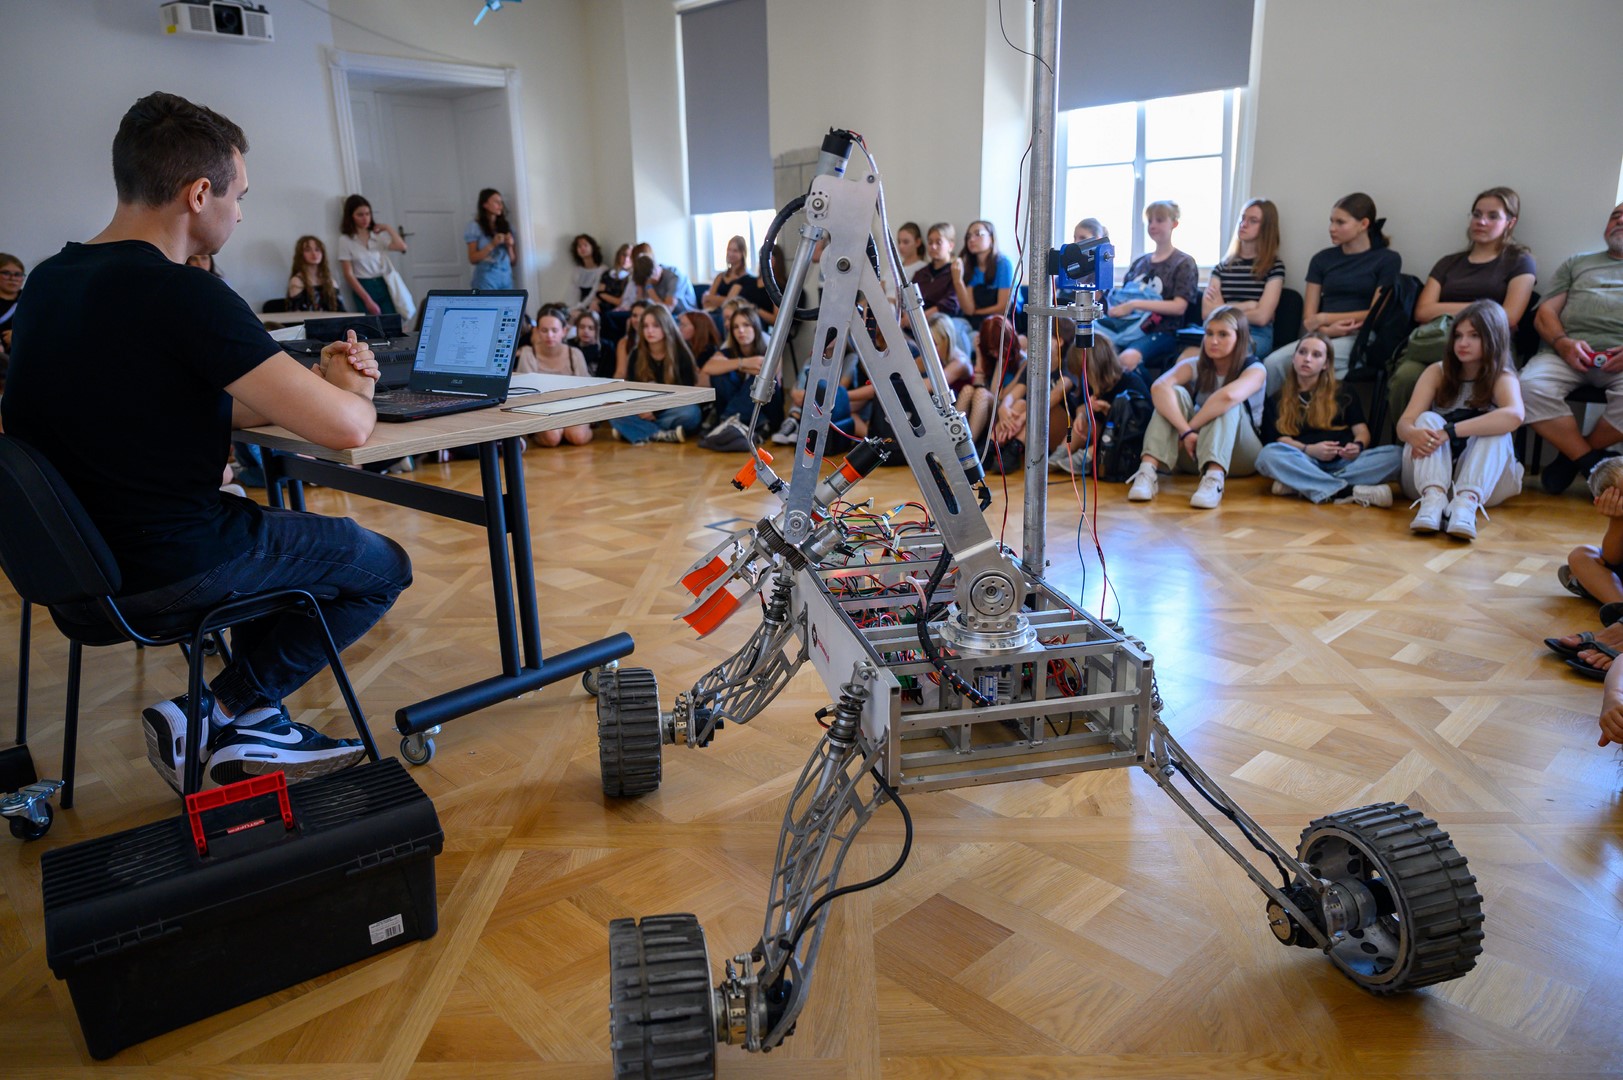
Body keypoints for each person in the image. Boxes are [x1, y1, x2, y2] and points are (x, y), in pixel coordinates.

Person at [2, 91, 411, 790]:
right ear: (198, 194)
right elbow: (348, 428)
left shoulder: (47, 283)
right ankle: (215, 709)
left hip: (77, 573)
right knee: (382, 566)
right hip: (172, 565)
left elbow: (160, 401)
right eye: (238, 195)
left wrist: (301, 386)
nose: (241, 212)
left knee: (278, 542)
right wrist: (354, 386)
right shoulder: (185, 294)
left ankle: (252, 724)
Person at [1388, 188, 1536, 430]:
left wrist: (1447, 309)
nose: (1481, 221)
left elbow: (1509, 316)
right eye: (1477, 214)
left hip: (1488, 346)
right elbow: (1422, 311)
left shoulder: (1519, 261)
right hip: (1436, 342)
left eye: (1492, 216)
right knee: (1406, 377)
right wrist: (1485, 308)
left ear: (1511, 222)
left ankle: (1460, 441)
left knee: (1486, 380)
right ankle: (1414, 441)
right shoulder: (1448, 263)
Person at [1517, 201, 1623, 494]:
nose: (1620, 221)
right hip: (1566, 354)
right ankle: (1590, 462)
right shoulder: (1577, 263)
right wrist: (1563, 344)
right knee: (1525, 387)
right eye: (1615, 216)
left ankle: (1572, 459)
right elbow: (1545, 313)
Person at [1396, 299, 1524, 539]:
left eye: (1474, 336)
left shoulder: (1503, 376)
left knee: (1497, 428)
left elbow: (1515, 415)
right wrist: (1412, 434)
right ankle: (1433, 502)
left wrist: (1451, 431)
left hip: (1484, 486)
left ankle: (1465, 506)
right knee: (1427, 418)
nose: (1463, 343)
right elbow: (1404, 424)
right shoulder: (1437, 371)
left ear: (1493, 338)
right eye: (1458, 336)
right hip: (1428, 480)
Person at [1126, 305, 1265, 509]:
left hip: (1240, 456)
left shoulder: (1255, 369)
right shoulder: (1195, 364)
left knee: (1226, 403)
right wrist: (1186, 432)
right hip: (1193, 450)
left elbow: (1227, 397)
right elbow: (1158, 387)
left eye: (1223, 334)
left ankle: (1215, 480)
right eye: (1209, 333)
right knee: (1174, 393)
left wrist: (1188, 430)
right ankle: (1147, 472)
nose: (1213, 341)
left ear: (1240, 338)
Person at [1262, 192, 1400, 396]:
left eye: (1340, 222)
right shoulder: (1322, 260)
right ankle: (1265, 416)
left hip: (1361, 338)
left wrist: (1324, 318)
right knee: (1273, 364)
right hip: (1321, 335)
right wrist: (1327, 329)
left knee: (1316, 370)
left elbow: (1375, 313)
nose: (1331, 228)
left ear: (1363, 224)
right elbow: (1309, 320)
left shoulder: (1387, 260)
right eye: (1331, 221)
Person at [1255, 332, 1401, 506]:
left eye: (1316, 355)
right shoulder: (1276, 399)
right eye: (1302, 352)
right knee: (1268, 455)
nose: (1307, 359)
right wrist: (1309, 449)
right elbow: (1280, 440)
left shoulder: (1344, 391)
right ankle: (1347, 491)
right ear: (1293, 358)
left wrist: (1357, 446)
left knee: (1397, 455)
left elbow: (1361, 431)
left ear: (1326, 364)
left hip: (1344, 462)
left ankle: (1302, 483)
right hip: (1305, 460)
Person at [1104, 200, 1199, 377]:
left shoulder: (1183, 263)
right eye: (1150, 221)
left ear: (1174, 224)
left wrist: (1134, 304)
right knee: (1093, 351)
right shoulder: (1140, 263)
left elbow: (1179, 307)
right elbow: (1123, 298)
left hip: (1163, 331)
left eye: (1160, 220)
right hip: (1126, 327)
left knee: (1127, 359)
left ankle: (1149, 395)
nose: (1153, 225)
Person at [1200, 199, 1285, 359]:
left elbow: (1262, 317)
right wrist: (1249, 305)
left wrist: (1222, 308)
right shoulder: (1222, 267)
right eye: (1243, 218)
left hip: (1255, 333)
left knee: (1228, 354)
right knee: (1185, 357)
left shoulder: (1274, 267)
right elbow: (1207, 313)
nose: (1244, 224)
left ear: (1266, 228)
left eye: (1253, 221)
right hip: (1218, 330)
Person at [1051, 335, 1148, 475]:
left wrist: (1109, 411)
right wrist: (1082, 415)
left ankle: (1087, 457)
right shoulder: (1089, 383)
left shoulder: (1131, 383)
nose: (1083, 378)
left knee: (1109, 432)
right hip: (1101, 433)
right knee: (1081, 425)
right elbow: (1081, 405)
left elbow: (1136, 426)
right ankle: (1063, 451)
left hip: (1127, 442)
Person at [611, 305, 704, 444]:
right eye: (645, 326)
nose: (650, 331)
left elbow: (686, 394)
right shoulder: (636, 354)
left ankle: (638, 431)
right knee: (613, 410)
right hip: (643, 410)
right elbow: (631, 391)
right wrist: (642, 408)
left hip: (670, 410)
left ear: (666, 326)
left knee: (692, 413)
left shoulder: (681, 353)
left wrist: (656, 409)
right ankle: (661, 434)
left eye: (656, 326)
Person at [700, 305, 777, 451]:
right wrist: (744, 363)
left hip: (766, 411)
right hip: (745, 416)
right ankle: (736, 428)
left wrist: (733, 365)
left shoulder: (768, 350)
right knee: (719, 376)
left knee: (758, 380)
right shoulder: (728, 351)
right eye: (735, 327)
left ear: (755, 327)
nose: (741, 330)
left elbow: (767, 372)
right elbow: (708, 368)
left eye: (746, 325)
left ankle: (727, 422)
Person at [514, 312, 593, 447]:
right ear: (537, 331)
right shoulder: (528, 354)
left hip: (573, 406)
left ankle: (581, 429)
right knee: (552, 438)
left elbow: (587, 390)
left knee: (577, 436)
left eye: (554, 330)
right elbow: (525, 395)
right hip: (541, 409)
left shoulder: (575, 354)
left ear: (564, 331)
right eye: (544, 330)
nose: (550, 335)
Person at [338, 193, 408, 316]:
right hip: (364, 286)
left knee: (391, 321)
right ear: (351, 216)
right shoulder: (345, 240)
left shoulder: (377, 236)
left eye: (368, 214)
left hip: (383, 283)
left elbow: (401, 246)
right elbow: (348, 274)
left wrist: (388, 228)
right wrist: (367, 300)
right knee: (371, 324)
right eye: (360, 215)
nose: (365, 218)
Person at [952, 219, 1014, 328]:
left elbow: (1003, 308)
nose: (971, 239)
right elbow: (968, 309)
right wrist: (958, 281)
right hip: (976, 321)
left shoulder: (1003, 263)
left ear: (991, 238)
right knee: (951, 325)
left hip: (1002, 322)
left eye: (978, 234)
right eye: (968, 236)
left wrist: (976, 312)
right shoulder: (971, 266)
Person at [466, 188, 516, 291]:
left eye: (501, 202)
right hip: (486, 279)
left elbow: (513, 261)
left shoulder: (506, 226)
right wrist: (492, 245)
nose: (500, 206)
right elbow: (472, 258)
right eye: (496, 202)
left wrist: (510, 246)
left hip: (506, 278)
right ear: (485, 205)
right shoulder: (475, 227)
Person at [913, 222, 961, 318]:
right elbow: (909, 297)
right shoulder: (920, 273)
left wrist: (921, 318)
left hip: (942, 319)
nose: (933, 247)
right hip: (916, 320)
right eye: (930, 242)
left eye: (938, 243)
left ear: (951, 246)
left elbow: (951, 303)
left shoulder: (955, 272)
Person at [286, 235, 344, 312]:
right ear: (301, 254)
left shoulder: (329, 280)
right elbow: (298, 313)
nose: (314, 254)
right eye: (308, 250)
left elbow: (341, 310)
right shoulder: (297, 281)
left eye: (317, 249)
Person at [628, 252, 697, 314]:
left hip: (686, 315)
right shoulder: (645, 278)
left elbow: (667, 310)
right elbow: (640, 307)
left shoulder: (674, 276)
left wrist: (650, 289)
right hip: (666, 316)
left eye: (647, 281)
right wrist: (640, 289)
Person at [703, 234, 751, 311]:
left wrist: (710, 298)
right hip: (715, 312)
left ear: (743, 253)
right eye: (729, 249)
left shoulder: (746, 278)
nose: (730, 253)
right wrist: (716, 300)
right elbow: (705, 301)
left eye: (735, 251)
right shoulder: (720, 276)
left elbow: (730, 302)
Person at [0, 253, 24, 386]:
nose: (13, 278)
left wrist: (19, 336)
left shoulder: (30, 300)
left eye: (18, 274)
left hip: (21, 361)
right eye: (6, 273)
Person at [592, 242, 633, 312]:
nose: (626, 259)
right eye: (624, 255)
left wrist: (603, 293)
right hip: (600, 308)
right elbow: (598, 293)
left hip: (618, 311)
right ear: (619, 255)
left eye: (630, 256)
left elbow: (619, 302)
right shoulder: (607, 273)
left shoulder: (631, 277)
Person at [569, 233, 606, 307]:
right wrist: (571, 308)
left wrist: (580, 307)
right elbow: (573, 293)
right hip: (578, 306)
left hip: (592, 306)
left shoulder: (602, 269)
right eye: (579, 246)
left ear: (592, 247)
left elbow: (594, 293)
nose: (582, 248)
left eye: (585, 245)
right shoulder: (577, 270)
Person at [574, 309, 609, 378]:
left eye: (591, 328)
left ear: (597, 330)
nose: (585, 331)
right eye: (582, 327)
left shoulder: (606, 347)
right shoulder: (570, 345)